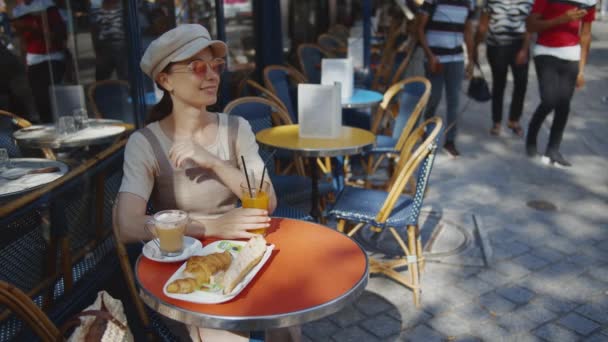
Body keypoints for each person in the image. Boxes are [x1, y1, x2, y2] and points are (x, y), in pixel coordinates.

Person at [113, 24, 284, 341]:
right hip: (184, 268)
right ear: (165, 80)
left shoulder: (237, 128)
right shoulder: (146, 142)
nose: (213, 76)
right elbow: (127, 225)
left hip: (241, 250)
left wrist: (212, 161)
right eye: (198, 67)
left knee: (286, 321)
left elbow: (267, 199)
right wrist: (212, 227)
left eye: (216, 66)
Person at [525, 0, 595, 166]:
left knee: (564, 104)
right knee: (549, 100)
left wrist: (581, 69)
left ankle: (553, 149)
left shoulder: (588, 1)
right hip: (545, 52)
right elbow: (531, 25)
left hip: (572, 56)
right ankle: (532, 134)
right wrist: (561, 19)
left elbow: (585, 35)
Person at [417, 0, 475, 157]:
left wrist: (471, 59)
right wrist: (429, 56)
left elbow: (468, 31)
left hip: (456, 59)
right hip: (435, 59)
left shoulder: (469, 2)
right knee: (433, 98)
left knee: (454, 101)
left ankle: (450, 141)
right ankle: (426, 133)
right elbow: (420, 28)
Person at [474, 0, 533, 137]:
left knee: (521, 83)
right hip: (496, 47)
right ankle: (497, 122)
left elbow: (529, 26)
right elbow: (483, 24)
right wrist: (475, 47)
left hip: (519, 46)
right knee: (499, 83)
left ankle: (514, 120)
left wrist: (524, 49)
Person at [12, 0, 67, 123]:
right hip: (33, 58)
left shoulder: (47, 5)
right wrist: (24, 60)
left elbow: (59, 33)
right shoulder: (18, 10)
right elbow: (23, 40)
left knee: (56, 97)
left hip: (53, 56)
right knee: (40, 98)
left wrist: (40, 26)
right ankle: (48, 127)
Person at [90, 0, 128, 80]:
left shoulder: (125, 7)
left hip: (123, 48)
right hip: (104, 48)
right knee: (101, 78)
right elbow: (94, 31)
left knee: (126, 77)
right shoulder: (95, 8)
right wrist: (97, 51)